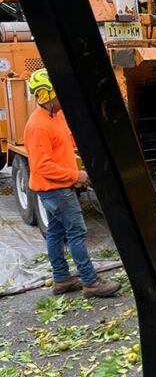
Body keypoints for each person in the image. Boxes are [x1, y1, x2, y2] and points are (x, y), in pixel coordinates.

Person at [24, 69, 121, 298]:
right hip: (55, 191)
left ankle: (62, 280)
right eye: (60, 93)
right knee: (77, 233)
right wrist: (77, 176)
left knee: (56, 233)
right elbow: (42, 166)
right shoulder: (38, 126)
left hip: (57, 189)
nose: (64, 97)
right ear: (46, 95)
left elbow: (67, 142)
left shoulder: (55, 116)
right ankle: (91, 282)